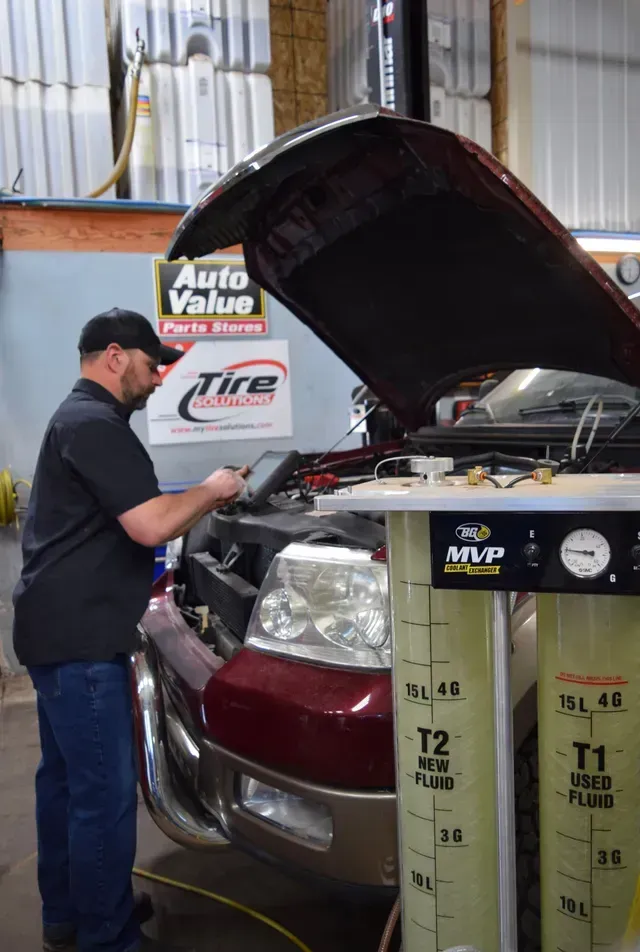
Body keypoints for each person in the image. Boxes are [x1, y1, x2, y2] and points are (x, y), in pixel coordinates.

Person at [13, 308, 248, 952]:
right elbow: (150, 524)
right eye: (152, 366)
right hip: (80, 639)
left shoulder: (78, 420)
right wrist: (215, 487)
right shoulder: (94, 424)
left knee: (64, 784)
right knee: (104, 795)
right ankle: (107, 937)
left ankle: (72, 915)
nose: (158, 380)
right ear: (115, 357)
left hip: (56, 629)